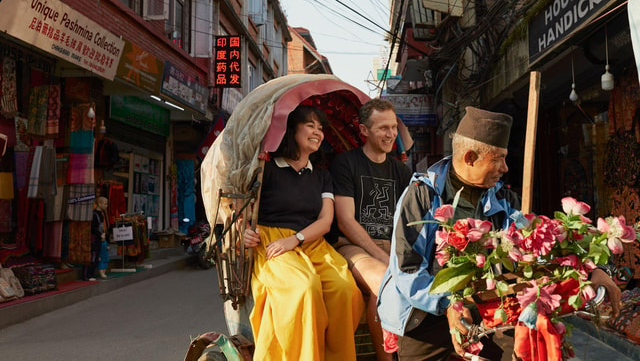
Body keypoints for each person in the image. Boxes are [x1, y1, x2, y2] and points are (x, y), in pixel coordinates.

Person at [377, 106, 623, 360]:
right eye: (499, 158)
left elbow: (538, 249)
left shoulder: (505, 200)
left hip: (490, 309)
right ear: (470, 157)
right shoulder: (421, 196)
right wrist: (449, 304)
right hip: (426, 314)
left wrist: (593, 269)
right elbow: (408, 269)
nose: (505, 168)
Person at [243, 104, 364, 360]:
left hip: (310, 241)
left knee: (346, 290)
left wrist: (295, 239)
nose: (317, 132)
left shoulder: (321, 176)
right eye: (310, 125)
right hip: (272, 241)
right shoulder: (267, 168)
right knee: (304, 288)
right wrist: (244, 232)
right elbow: (242, 210)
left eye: (320, 128)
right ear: (291, 129)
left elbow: (325, 219)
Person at [330, 98, 412, 361]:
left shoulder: (400, 170)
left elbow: (407, 220)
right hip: (353, 246)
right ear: (364, 130)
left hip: (392, 246)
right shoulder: (346, 164)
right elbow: (346, 221)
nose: (390, 134)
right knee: (384, 282)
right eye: (382, 128)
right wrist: (382, 257)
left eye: (393, 127)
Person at [91, 196, 109, 280]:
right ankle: (89, 274)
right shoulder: (94, 214)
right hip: (95, 238)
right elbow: (93, 227)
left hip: (100, 238)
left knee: (100, 255)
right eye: (105, 204)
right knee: (94, 255)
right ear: (99, 204)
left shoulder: (101, 214)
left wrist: (104, 234)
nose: (106, 206)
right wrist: (100, 234)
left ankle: (95, 272)